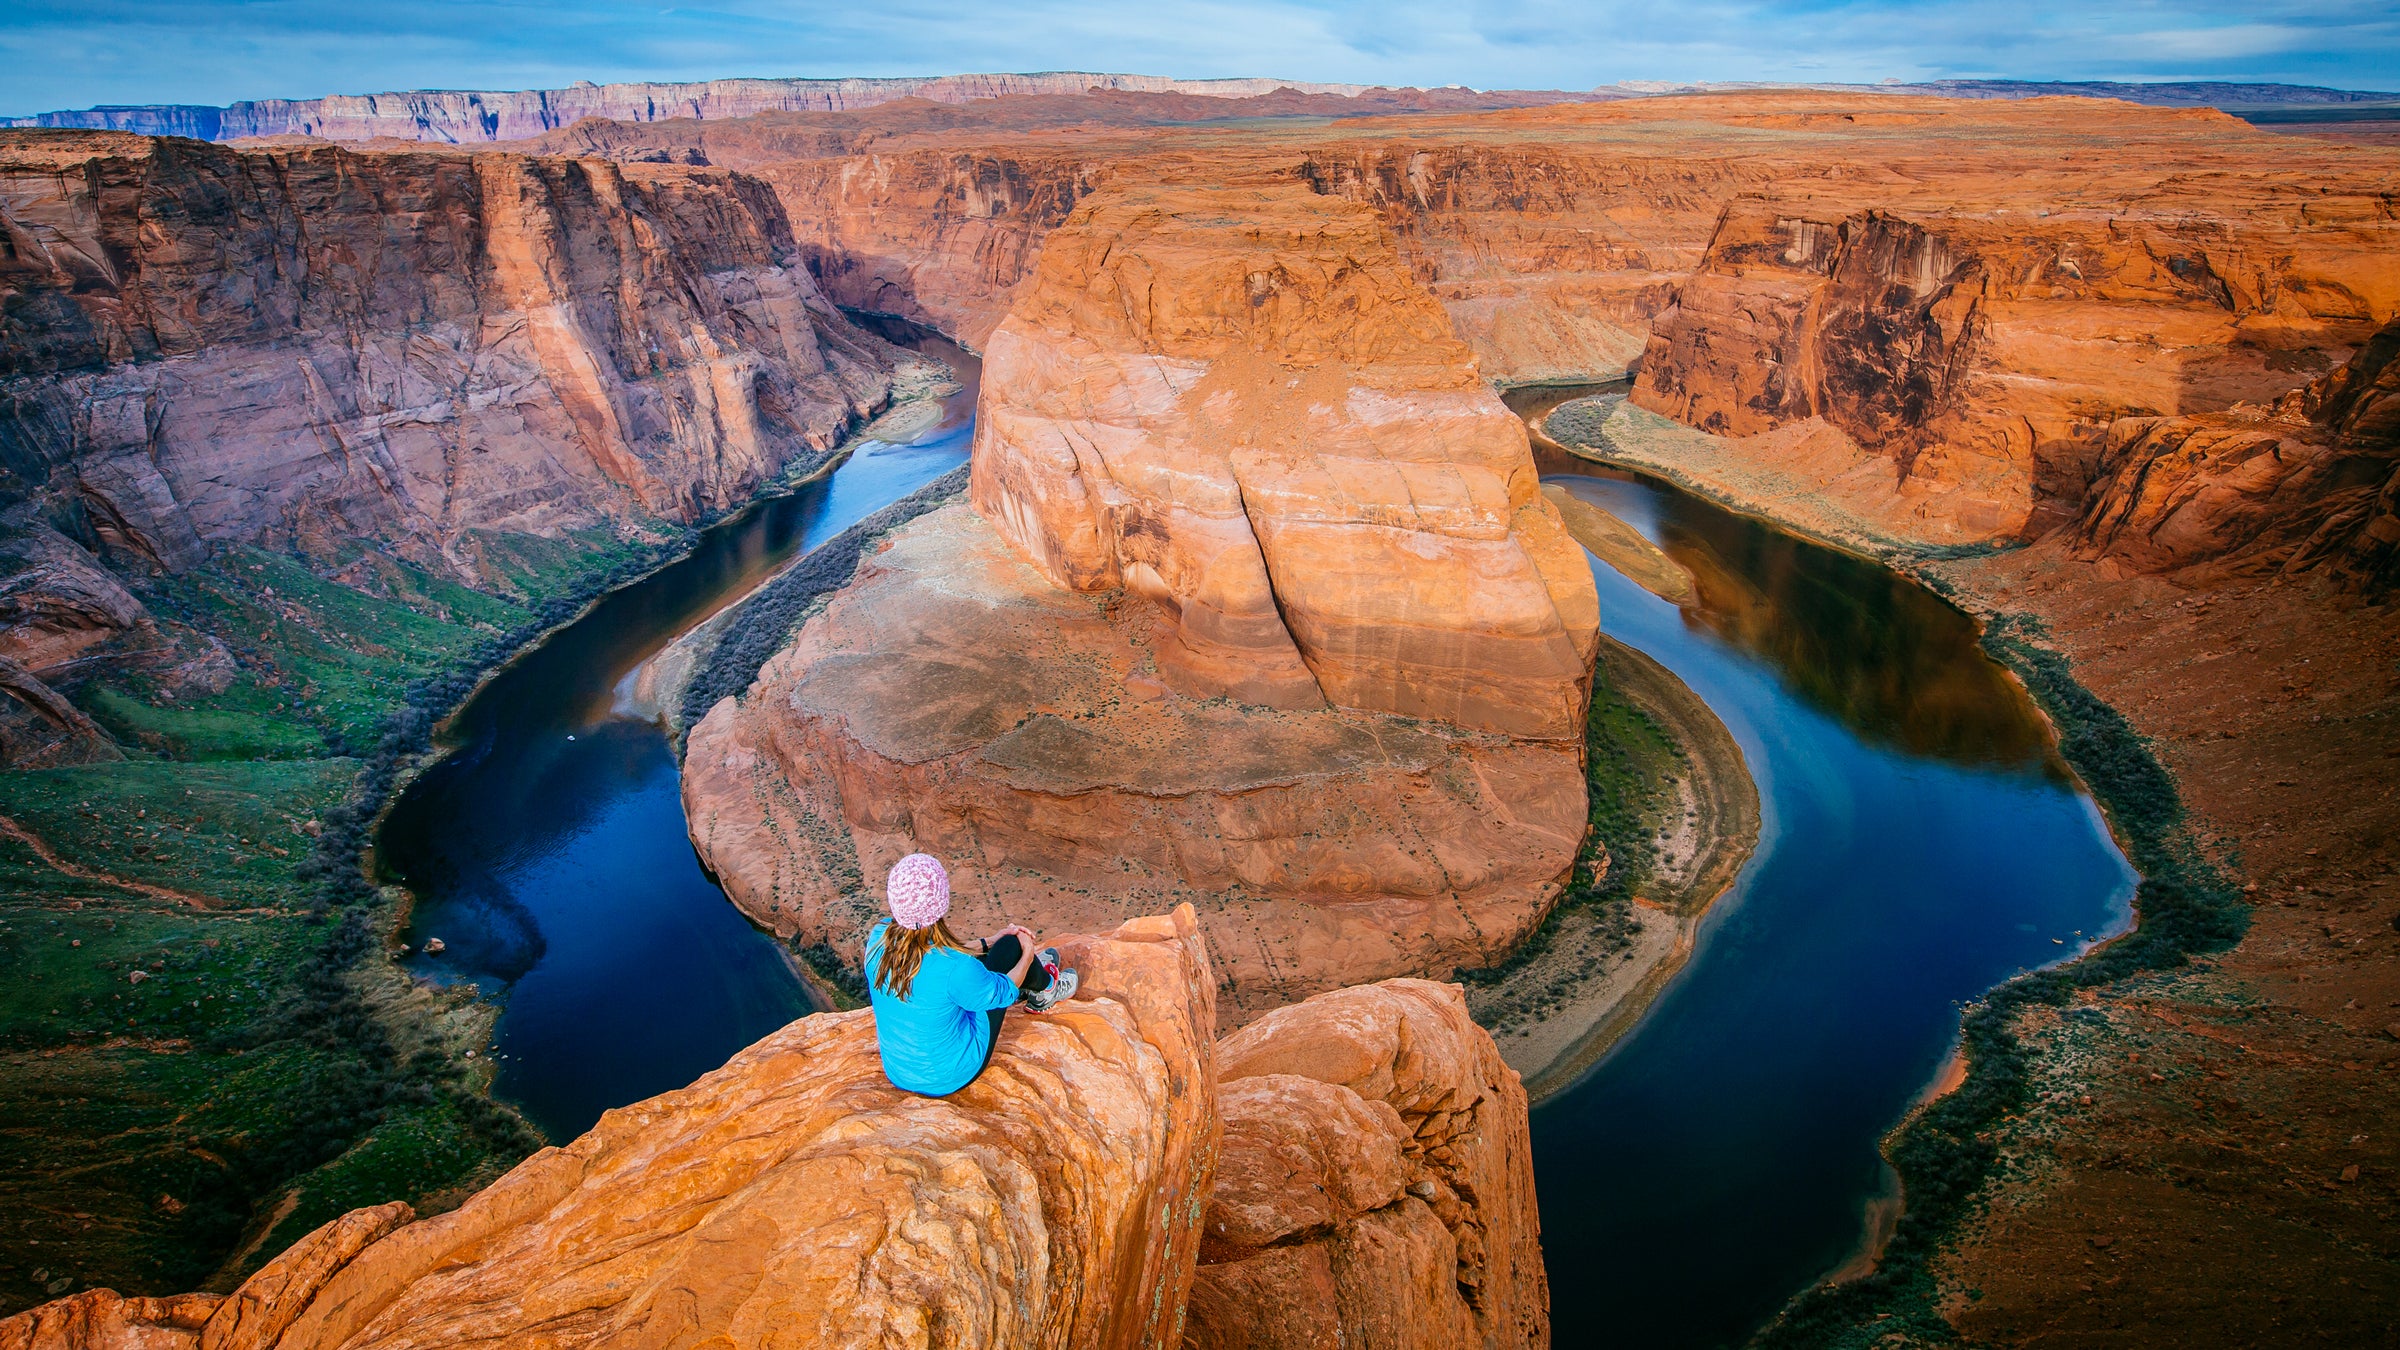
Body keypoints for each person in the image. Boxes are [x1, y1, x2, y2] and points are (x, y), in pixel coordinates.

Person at [863, 852, 1079, 1097]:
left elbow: (936, 953)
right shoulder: (956, 969)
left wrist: (988, 942)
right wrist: (1027, 952)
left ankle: (1034, 973)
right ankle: (1046, 989)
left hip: (899, 1071)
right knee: (1010, 948)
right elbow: (1004, 991)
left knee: (992, 955)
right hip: (950, 1073)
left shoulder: (878, 937)